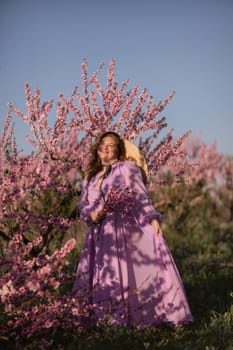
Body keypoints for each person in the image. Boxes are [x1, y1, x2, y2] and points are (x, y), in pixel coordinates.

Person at [73, 131, 193, 328]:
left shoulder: (128, 169)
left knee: (119, 271)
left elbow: (141, 197)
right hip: (96, 232)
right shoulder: (90, 176)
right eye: (103, 143)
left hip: (119, 227)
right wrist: (90, 213)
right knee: (100, 273)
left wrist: (152, 219)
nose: (106, 147)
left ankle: (121, 320)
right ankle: (100, 319)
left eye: (111, 145)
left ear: (119, 150)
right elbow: (82, 204)